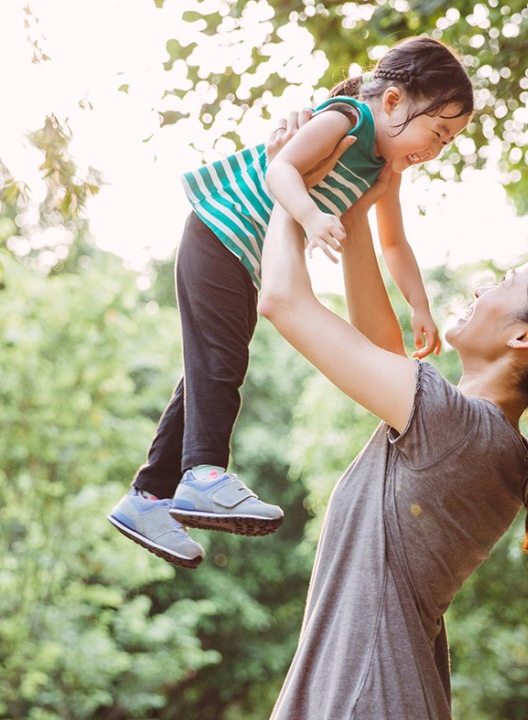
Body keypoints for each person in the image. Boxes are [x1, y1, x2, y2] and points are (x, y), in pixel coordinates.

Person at [256, 179, 528, 717]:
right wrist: (363, 195)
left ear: (525, 337)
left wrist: (291, 178)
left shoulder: (455, 429)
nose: (481, 290)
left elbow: (281, 299)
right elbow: (377, 345)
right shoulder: (487, 444)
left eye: (504, 283)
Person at [108, 36, 475, 569]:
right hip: (218, 230)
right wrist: (309, 216)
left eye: (448, 141)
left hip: (244, 255)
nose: (435, 149)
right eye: (436, 130)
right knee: (219, 362)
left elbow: (394, 243)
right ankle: (204, 472)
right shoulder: (345, 118)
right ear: (393, 99)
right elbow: (281, 168)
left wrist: (418, 304)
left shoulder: (385, 169)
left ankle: (146, 499)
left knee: (206, 368)